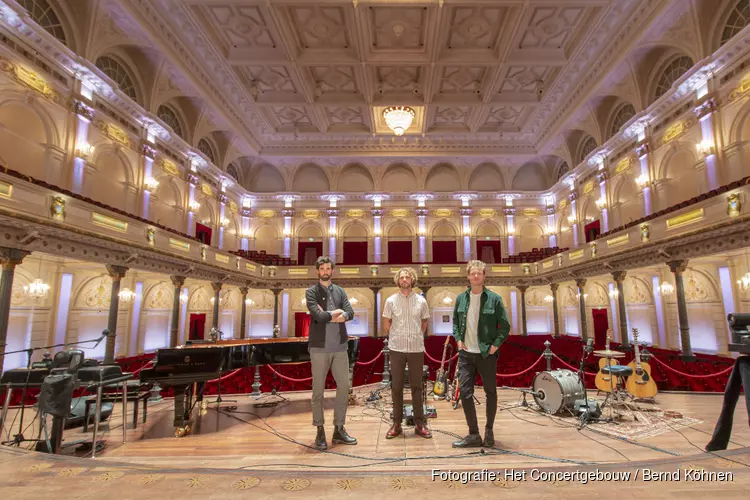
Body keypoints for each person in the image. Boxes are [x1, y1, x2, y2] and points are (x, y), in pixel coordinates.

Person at [451, 260, 510, 448]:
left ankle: (489, 430)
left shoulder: (495, 298)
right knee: (465, 394)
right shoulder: (461, 298)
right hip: (466, 354)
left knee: (490, 393)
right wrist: (459, 340)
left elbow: (505, 326)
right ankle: (473, 433)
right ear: (468, 276)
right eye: (472, 273)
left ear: (484, 276)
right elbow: (455, 322)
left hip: (486, 354)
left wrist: (494, 347)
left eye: (479, 273)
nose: (476, 276)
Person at [305, 256, 357, 450]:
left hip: (340, 347)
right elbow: (317, 315)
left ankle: (339, 429)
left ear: (332, 271)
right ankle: (320, 430)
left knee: (344, 386)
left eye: (328, 268)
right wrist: (337, 314)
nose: (326, 271)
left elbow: (350, 312)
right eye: (322, 269)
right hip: (319, 349)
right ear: (317, 271)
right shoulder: (311, 292)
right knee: (318, 391)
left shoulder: (341, 291)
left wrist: (333, 314)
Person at [382, 267, 432, 439]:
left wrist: (415, 335)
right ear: (398, 280)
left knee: (417, 386)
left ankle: (419, 423)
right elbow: (387, 324)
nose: (404, 280)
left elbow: (424, 323)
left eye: (407, 277)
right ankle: (397, 424)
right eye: (401, 277)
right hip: (396, 348)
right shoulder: (390, 300)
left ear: (412, 280)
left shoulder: (421, 301)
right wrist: (398, 337)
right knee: (396, 387)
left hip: (416, 349)